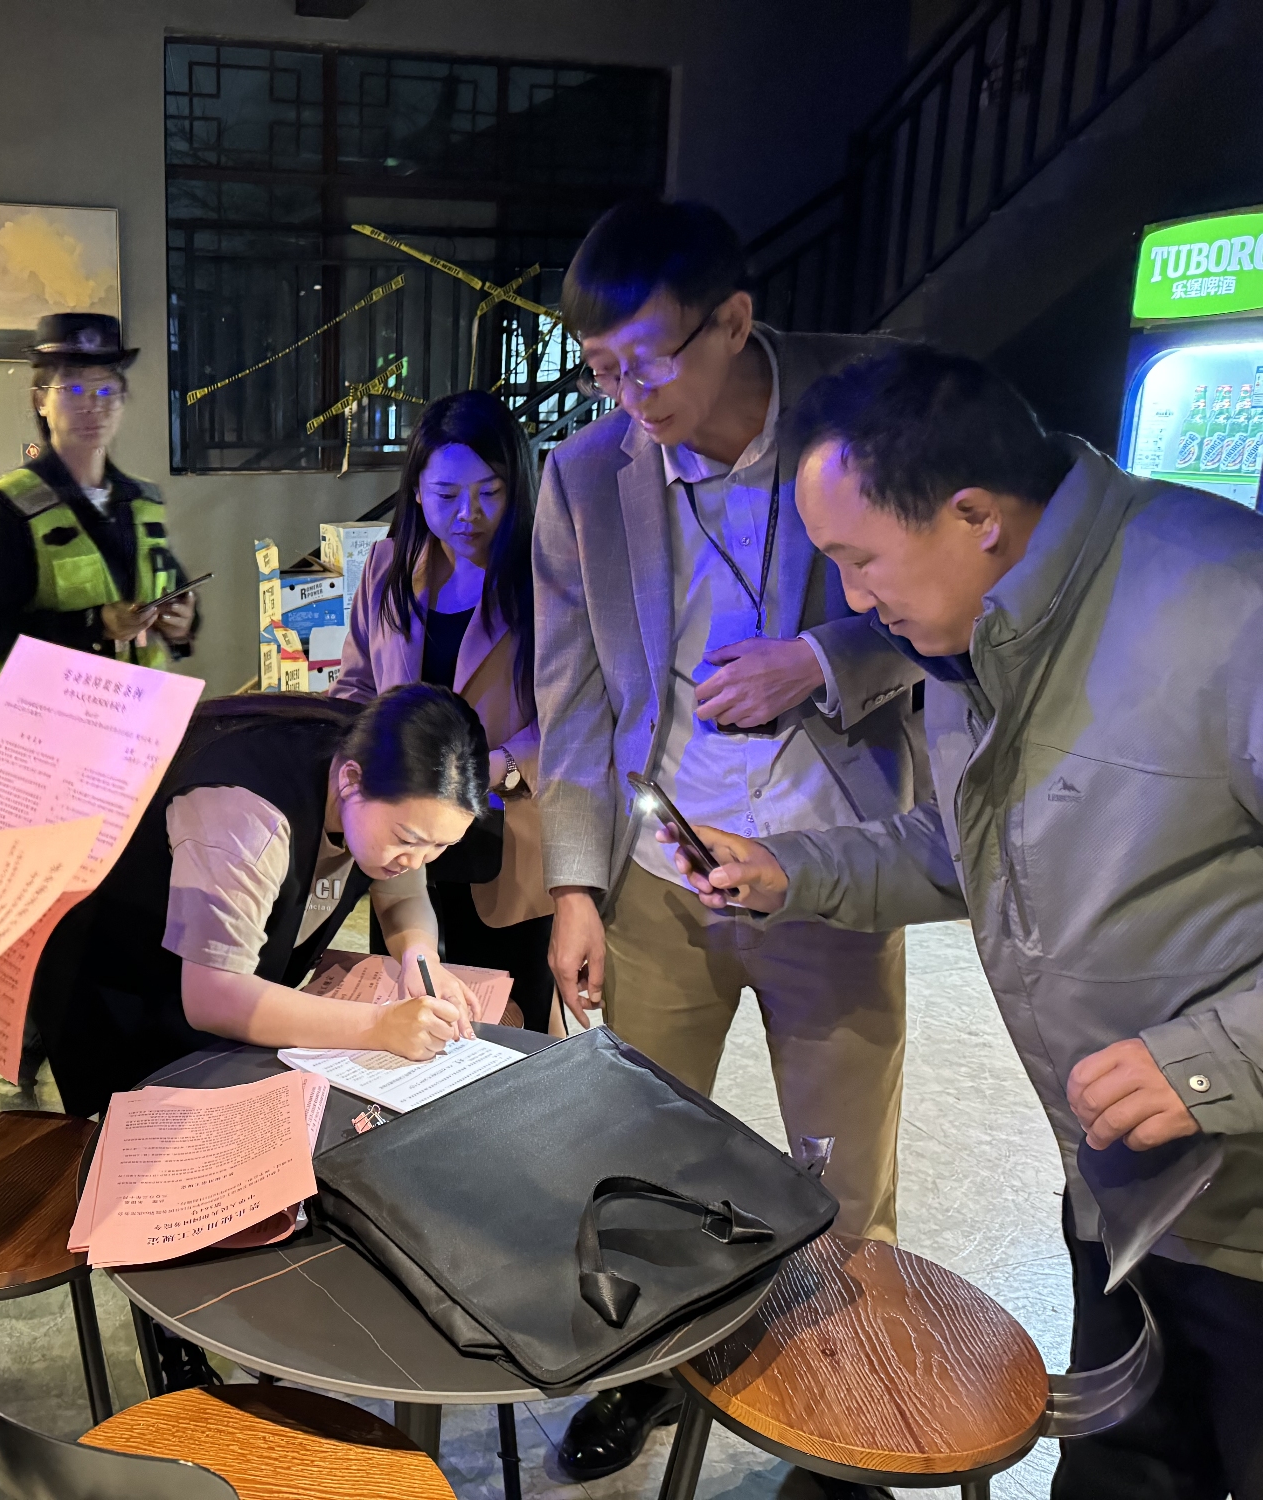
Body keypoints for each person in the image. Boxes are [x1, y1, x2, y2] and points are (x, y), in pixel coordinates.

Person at [667, 345, 1263, 1500]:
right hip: (1119, 1185)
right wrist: (790, 871)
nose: (850, 600)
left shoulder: (1223, 604)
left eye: (856, 559)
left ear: (973, 516)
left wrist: (1208, 1063)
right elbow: (970, 847)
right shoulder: (971, 633)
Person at [531, 197, 923, 1487]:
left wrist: (821, 656)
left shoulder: (866, 408)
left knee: (838, 1168)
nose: (625, 397)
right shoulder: (586, 475)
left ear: (734, 321)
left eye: (646, 362)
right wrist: (574, 885)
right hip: (660, 872)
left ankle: (842, 1414)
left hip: (826, 865)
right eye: (598, 371)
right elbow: (569, 693)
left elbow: (958, 592)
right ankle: (649, 1367)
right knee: (642, 1150)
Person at [34, 685, 491, 1122]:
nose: (416, 861)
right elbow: (214, 996)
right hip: (127, 979)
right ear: (351, 779)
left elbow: (402, 896)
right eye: (406, 839)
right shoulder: (245, 817)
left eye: (440, 846)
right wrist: (378, 1025)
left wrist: (420, 957)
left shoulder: (383, 758)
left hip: (223, 985)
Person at [332, 390, 555, 1033]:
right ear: (416, 490)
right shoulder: (389, 568)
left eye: (490, 492)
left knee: (505, 1024)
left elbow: (575, 714)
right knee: (410, 1006)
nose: (468, 514)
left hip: (504, 838)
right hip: (400, 840)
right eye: (446, 494)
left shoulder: (547, 577)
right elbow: (356, 689)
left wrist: (495, 768)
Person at [0, 312, 197, 678]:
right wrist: (93, 624)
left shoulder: (144, 501)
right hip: (52, 708)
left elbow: (172, 593)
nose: (92, 406)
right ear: (40, 400)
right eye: (72, 390)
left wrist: (182, 623)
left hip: (140, 706)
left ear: (122, 400)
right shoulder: (9, 507)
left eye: (105, 391)